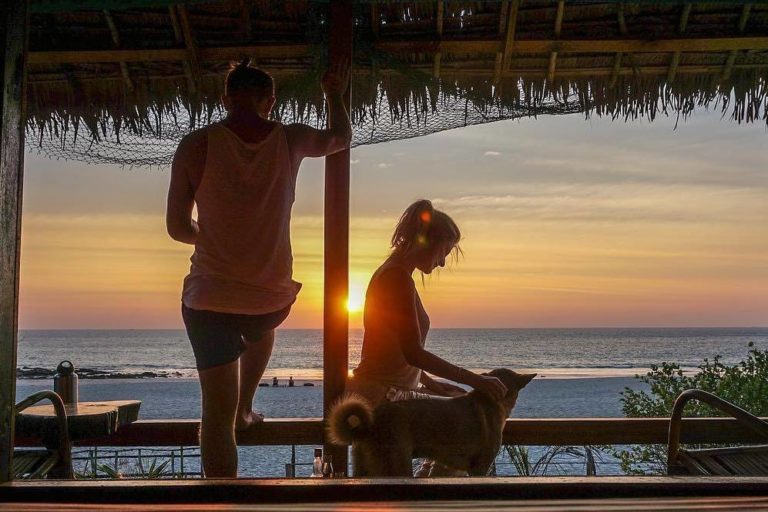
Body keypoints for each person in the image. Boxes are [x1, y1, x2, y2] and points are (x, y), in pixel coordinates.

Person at [166, 58, 352, 477]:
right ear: (270, 101)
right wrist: (334, 96)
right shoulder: (290, 139)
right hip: (269, 299)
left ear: (226, 99)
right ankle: (245, 407)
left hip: (208, 299)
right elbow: (340, 138)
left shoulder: (195, 145)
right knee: (260, 327)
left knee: (214, 417)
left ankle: (221, 497)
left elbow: (177, 228)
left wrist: (210, 235)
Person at [347, 199, 508, 476]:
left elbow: (396, 353)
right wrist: (474, 380)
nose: (443, 262)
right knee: (391, 493)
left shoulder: (397, 275)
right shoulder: (395, 279)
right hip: (382, 397)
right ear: (426, 242)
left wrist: (435, 385)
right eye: (444, 251)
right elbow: (413, 352)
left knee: (456, 409)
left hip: (392, 392)